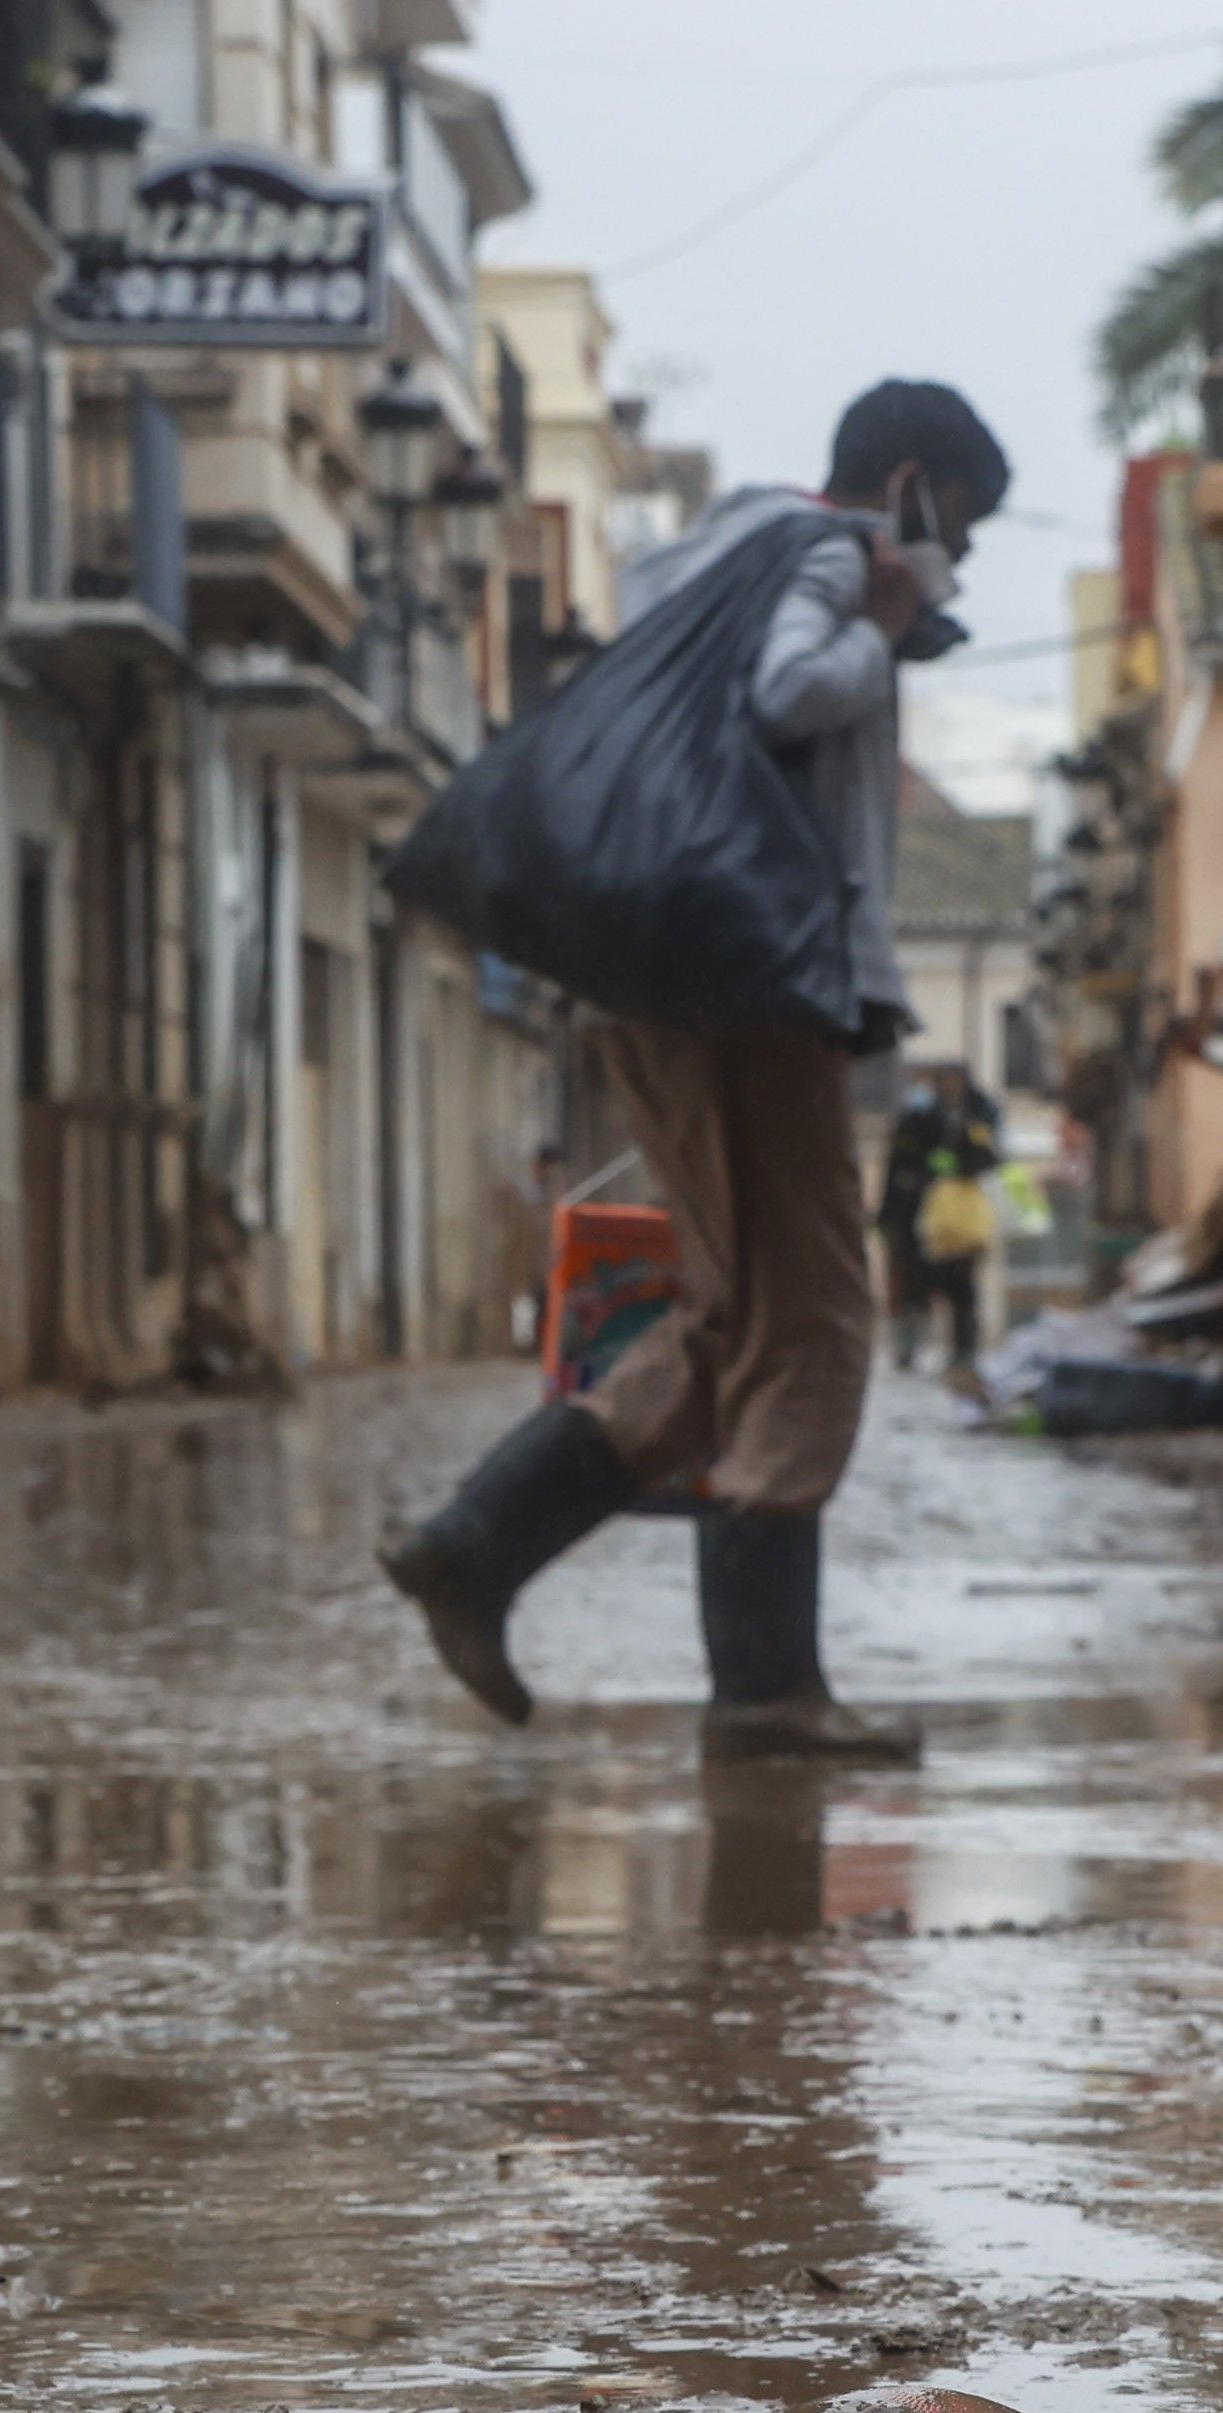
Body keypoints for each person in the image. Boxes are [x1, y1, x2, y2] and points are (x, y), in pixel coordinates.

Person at [375, 378, 1008, 1763]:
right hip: (750, 975)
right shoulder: (833, 556)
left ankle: (475, 1542)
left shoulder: (707, 552)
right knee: (820, 1315)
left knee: (736, 1316)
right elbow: (788, 691)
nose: (955, 550)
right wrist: (885, 630)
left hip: (649, 972)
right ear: (907, 481)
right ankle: (766, 1684)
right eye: (956, 520)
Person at [877, 1062, 1005, 1391]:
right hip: (917, 1221)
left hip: (959, 1224)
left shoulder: (978, 1116)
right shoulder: (916, 1118)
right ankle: (908, 1346)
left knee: (961, 1291)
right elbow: (896, 1167)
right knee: (913, 1288)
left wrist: (962, 1164)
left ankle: (963, 1351)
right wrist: (887, 1218)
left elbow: (992, 1157)